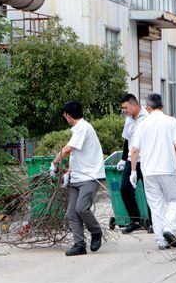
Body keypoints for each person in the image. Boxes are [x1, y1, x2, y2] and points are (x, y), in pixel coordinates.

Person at [130, 93, 176, 250]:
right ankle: (169, 229)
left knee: (155, 205)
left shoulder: (142, 125)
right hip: (168, 169)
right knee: (174, 200)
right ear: (162, 106)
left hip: (148, 171)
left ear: (148, 108)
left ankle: (161, 241)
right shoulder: (171, 121)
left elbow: (135, 150)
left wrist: (133, 171)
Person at [50, 100, 105, 256]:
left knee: (81, 208)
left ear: (68, 115)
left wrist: (53, 163)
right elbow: (79, 154)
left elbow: (67, 150)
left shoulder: (83, 127)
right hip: (77, 176)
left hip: (90, 176)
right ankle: (79, 244)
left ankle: (96, 231)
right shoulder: (79, 129)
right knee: (72, 213)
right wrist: (69, 172)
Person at [116, 93, 152, 234]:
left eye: (126, 108)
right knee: (125, 189)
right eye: (123, 108)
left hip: (147, 160)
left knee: (150, 192)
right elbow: (127, 140)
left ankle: (153, 222)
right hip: (132, 160)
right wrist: (123, 158)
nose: (125, 111)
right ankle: (135, 220)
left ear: (134, 105)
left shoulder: (148, 118)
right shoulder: (128, 120)